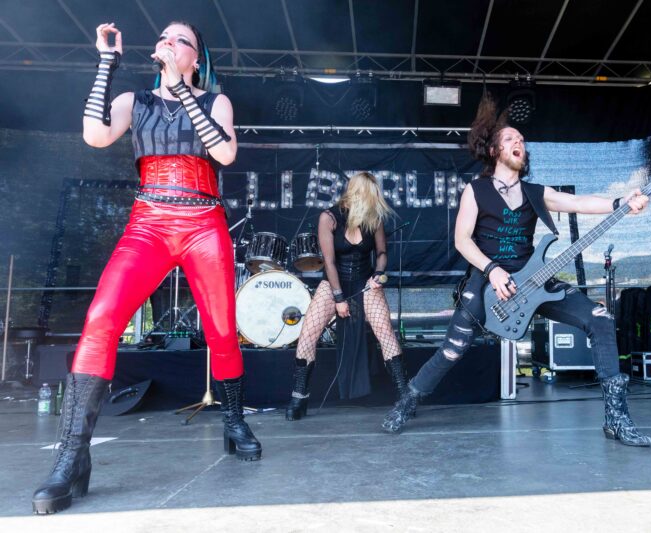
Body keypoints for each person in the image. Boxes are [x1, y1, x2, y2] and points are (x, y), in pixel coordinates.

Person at [32, 21, 260, 515]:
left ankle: (234, 420)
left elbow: (224, 152)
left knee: (222, 330)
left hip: (203, 222)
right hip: (149, 223)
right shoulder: (134, 101)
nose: (168, 42)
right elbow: (94, 135)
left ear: (196, 58)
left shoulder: (216, 101)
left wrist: (182, 89)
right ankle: (72, 456)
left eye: (180, 39)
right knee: (101, 319)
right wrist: (106, 63)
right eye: (164, 37)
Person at [382, 96, 651, 447]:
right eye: (510, 138)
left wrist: (621, 203)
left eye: (522, 140)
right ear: (494, 150)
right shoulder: (476, 191)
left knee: (600, 319)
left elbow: (578, 202)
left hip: (534, 280)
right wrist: (492, 269)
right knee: (452, 349)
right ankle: (407, 402)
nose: (519, 142)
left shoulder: (534, 192)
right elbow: (462, 240)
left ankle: (617, 419)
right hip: (487, 282)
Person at [285, 172, 412, 420]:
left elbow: (382, 253)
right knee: (308, 334)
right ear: (358, 194)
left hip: (365, 281)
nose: (376, 201)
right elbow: (329, 262)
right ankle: (299, 397)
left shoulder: (373, 219)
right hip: (334, 282)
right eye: (371, 195)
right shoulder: (329, 218)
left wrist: (378, 275)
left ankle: (405, 396)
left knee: (385, 331)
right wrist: (339, 298)